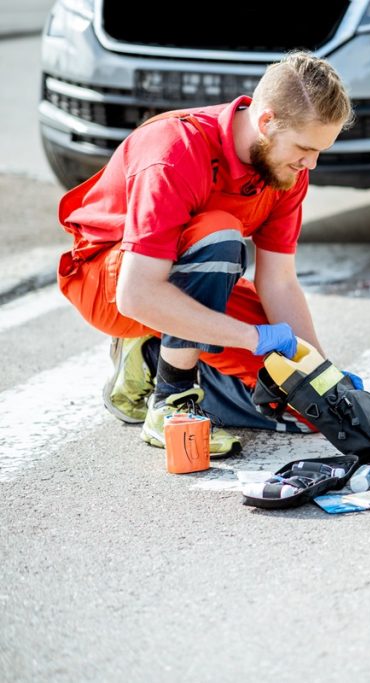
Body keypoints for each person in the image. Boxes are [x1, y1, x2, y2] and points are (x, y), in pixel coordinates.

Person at [56, 51, 353, 457]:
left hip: (191, 279)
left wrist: (320, 372)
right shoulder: (176, 152)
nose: (312, 164)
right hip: (111, 282)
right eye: (304, 148)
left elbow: (278, 282)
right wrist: (251, 337)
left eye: (321, 151)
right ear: (266, 122)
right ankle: (172, 400)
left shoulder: (288, 170)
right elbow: (137, 294)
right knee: (218, 231)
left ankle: (149, 356)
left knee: (311, 407)